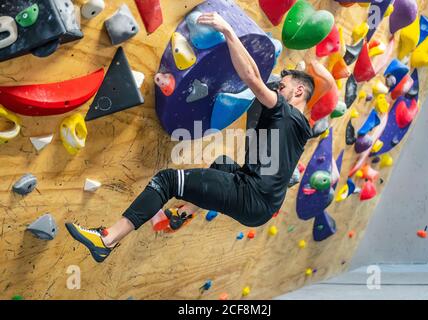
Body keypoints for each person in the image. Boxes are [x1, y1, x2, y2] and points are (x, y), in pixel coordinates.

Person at [65, 12, 314, 263]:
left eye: (282, 87)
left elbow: (252, 77)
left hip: (250, 195)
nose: (278, 90)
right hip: (263, 207)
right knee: (223, 163)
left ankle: (106, 240)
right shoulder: (303, 127)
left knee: (167, 181)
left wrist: (228, 30)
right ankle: (184, 212)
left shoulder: (283, 109)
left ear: (299, 91)